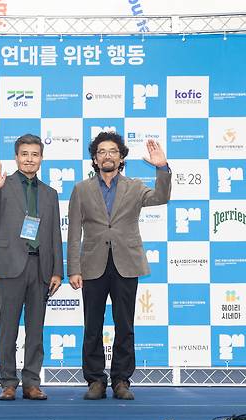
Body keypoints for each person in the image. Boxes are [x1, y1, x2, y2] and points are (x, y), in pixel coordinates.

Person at [67, 132, 171, 400]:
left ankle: (122, 380)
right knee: (92, 325)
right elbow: (73, 232)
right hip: (92, 264)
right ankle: (95, 381)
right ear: (94, 158)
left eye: (113, 151)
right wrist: (73, 268)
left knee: (125, 324)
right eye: (101, 151)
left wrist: (162, 168)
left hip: (126, 263)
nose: (107, 156)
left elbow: (161, 197)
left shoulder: (135, 186)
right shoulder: (81, 189)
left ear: (121, 157)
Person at [0, 134, 63, 401]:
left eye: (34, 154)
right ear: (16, 157)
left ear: (41, 159)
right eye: (24, 154)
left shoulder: (50, 193)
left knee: (36, 329)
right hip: (9, 266)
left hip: (40, 268)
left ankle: (32, 383)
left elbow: (55, 235)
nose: (29, 159)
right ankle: (8, 383)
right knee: (8, 328)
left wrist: (57, 270)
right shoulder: (3, 184)